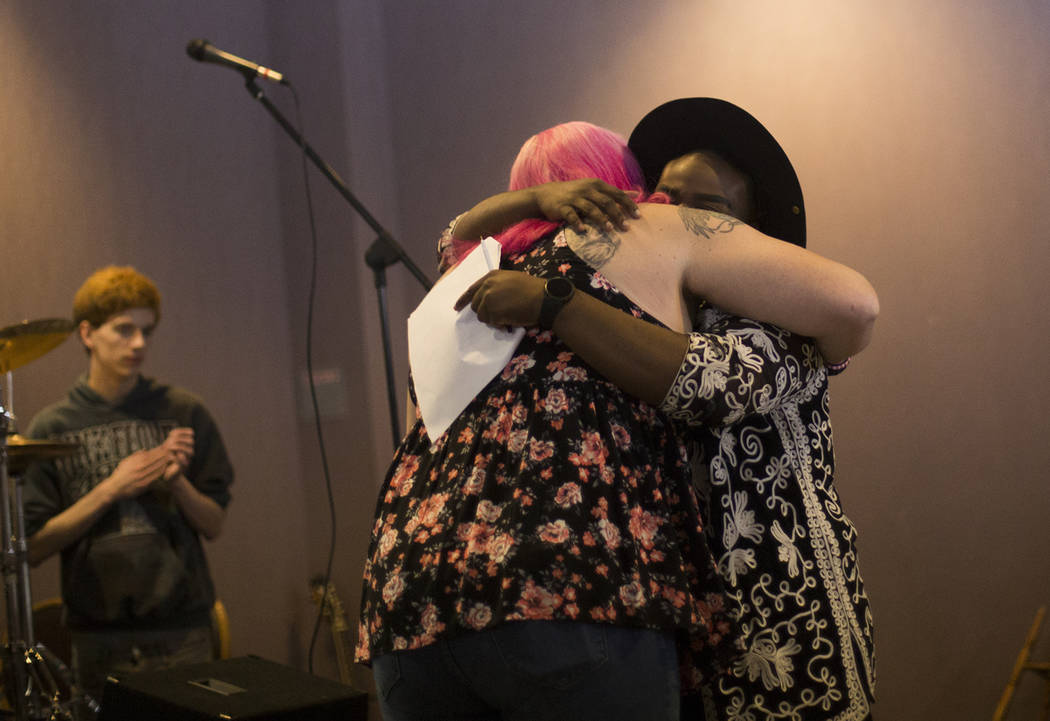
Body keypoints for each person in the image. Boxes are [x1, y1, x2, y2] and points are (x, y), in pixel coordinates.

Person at [356, 121, 875, 721]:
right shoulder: (555, 278)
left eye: (705, 210)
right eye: (662, 196)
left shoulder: (772, 325)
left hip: (774, 611)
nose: (669, 212)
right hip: (589, 591)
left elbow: (708, 379)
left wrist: (554, 299)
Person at [22, 266, 233, 702]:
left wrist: (177, 484)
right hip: (98, 639)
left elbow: (214, 524)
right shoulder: (52, 426)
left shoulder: (183, 410)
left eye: (145, 331)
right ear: (87, 333)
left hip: (182, 629)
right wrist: (111, 489)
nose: (138, 343)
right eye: (123, 330)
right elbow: (35, 546)